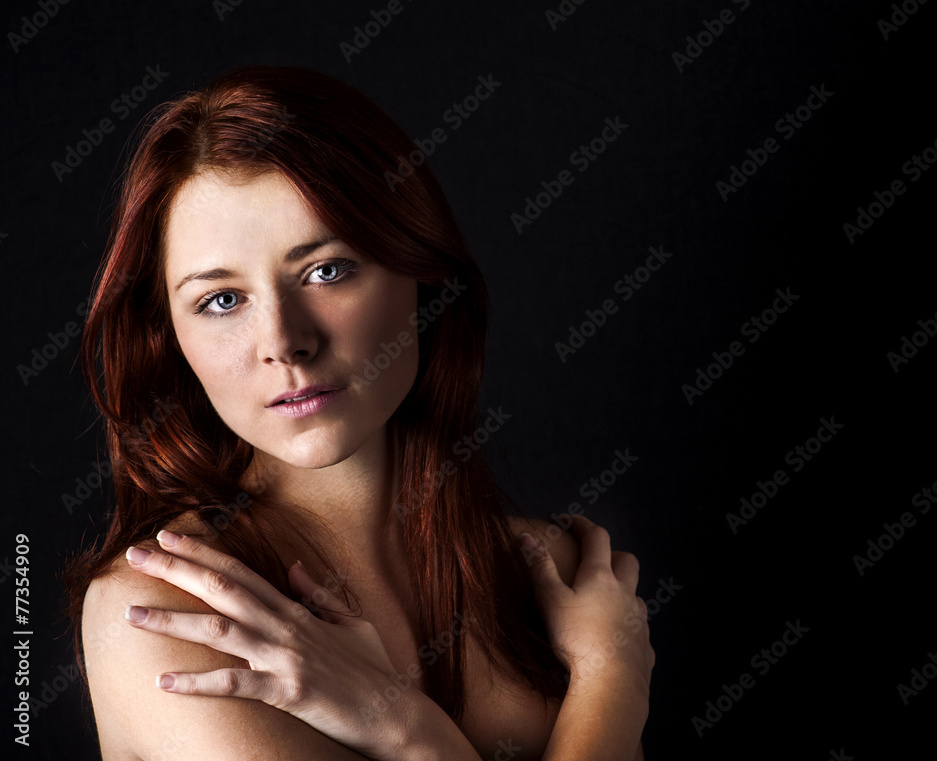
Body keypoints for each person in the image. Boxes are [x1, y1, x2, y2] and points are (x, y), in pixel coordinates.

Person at [66, 65, 654, 760]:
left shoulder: (550, 576)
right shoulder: (167, 614)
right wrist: (610, 684)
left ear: (420, 273)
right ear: (170, 335)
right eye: (221, 300)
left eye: (327, 270)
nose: (284, 341)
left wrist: (606, 668)